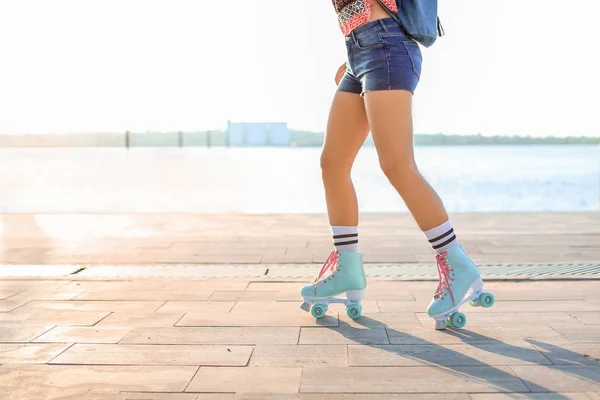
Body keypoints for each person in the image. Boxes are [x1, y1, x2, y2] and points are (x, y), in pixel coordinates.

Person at [300, 0, 490, 329]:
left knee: (397, 164)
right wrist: (352, 56)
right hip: (358, 50)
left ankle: (457, 263)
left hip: (385, 46)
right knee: (333, 164)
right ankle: (348, 267)